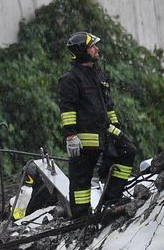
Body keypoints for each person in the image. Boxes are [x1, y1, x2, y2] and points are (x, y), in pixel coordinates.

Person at [58, 31, 136, 218]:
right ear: (82, 51)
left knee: (128, 150)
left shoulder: (99, 76)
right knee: (81, 179)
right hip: (83, 138)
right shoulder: (70, 79)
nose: (96, 49)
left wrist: (116, 127)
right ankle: (81, 217)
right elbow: (67, 109)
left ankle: (111, 200)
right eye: (92, 46)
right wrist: (71, 136)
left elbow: (108, 106)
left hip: (106, 132)